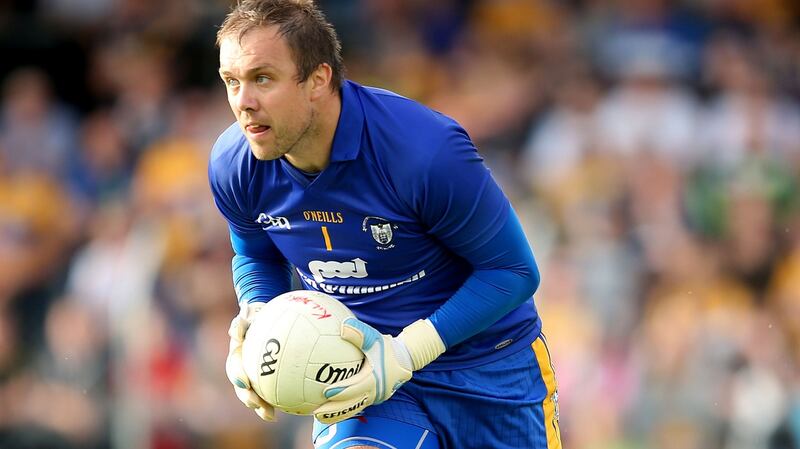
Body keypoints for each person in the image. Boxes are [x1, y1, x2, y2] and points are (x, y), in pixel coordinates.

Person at [208, 1, 562, 448]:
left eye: (262, 78)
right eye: (231, 82)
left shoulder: (423, 152)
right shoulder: (234, 165)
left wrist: (405, 352)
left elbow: (512, 272)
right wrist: (258, 316)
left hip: (488, 368)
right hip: (360, 374)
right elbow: (255, 255)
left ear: (318, 79)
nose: (243, 102)